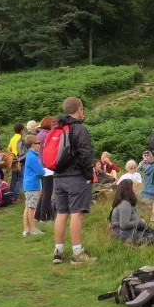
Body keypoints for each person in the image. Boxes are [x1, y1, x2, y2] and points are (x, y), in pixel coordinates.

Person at [51, 97, 96, 265]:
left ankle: (58, 250)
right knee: (76, 213)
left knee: (62, 213)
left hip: (58, 177)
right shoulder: (79, 129)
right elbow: (85, 154)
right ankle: (78, 253)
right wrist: (88, 176)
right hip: (75, 176)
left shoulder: (57, 127)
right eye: (82, 109)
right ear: (78, 109)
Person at [108, 179, 151, 245]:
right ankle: (132, 243)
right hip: (120, 232)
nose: (135, 189)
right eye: (133, 187)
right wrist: (139, 222)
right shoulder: (125, 204)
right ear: (128, 190)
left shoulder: (126, 202)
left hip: (121, 231)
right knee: (152, 237)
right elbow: (124, 225)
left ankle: (132, 242)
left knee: (150, 233)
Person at [22, 133, 45, 237]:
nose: (39, 145)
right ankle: (33, 229)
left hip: (28, 184)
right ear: (32, 144)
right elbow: (41, 171)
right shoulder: (32, 156)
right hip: (32, 185)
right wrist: (42, 171)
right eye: (38, 143)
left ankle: (26, 229)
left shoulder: (30, 155)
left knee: (27, 207)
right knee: (31, 208)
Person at [34, 116, 56, 224]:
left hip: (41, 165)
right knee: (48, 192)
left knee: (44, 193)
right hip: (46, 166)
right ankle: (43, 218)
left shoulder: (40, 134)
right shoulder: (47, 135)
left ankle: (37, 215)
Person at [7, 123, 25, 196]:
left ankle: (10, 193)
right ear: (21, 130)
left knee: (14, 178)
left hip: (13, 160)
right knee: (21, 178)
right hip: (20, 159)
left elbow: (8, 149)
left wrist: (12, 156)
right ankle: (16, 195)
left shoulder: (13, 138)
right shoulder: (21, 138)